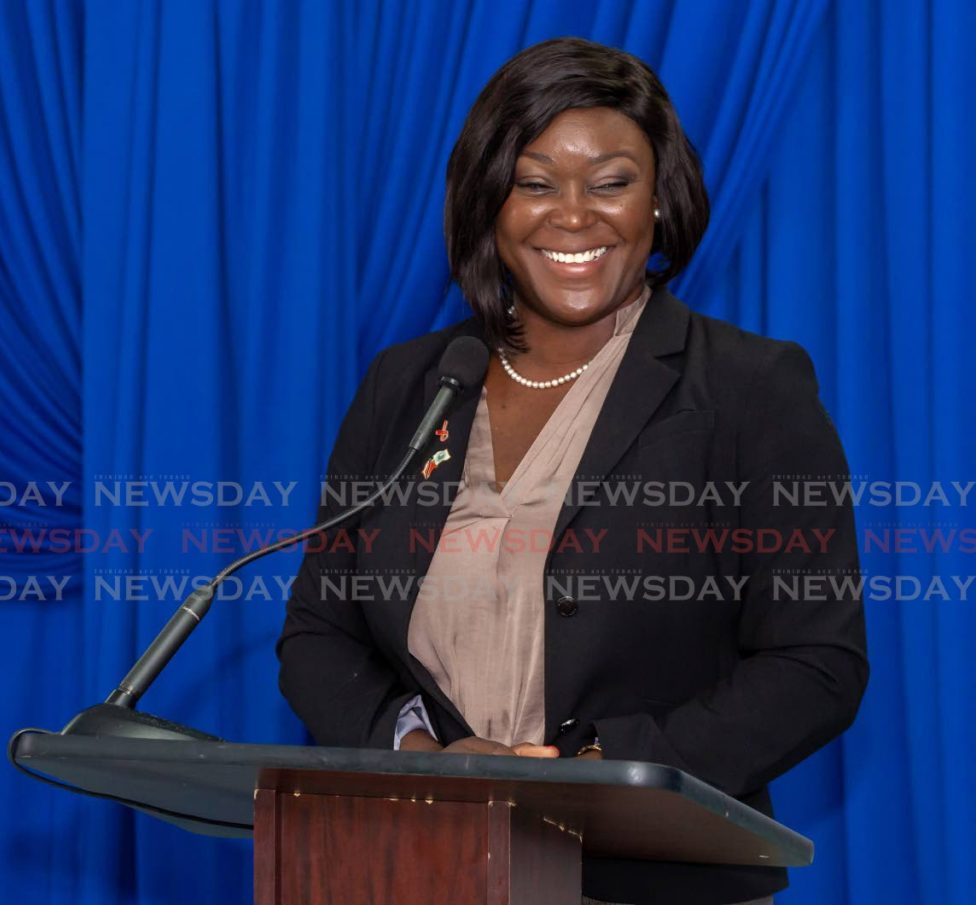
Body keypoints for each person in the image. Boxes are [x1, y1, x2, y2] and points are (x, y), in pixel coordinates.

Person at [277, 37, 868, 905]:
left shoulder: (749, 389)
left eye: (612, 182)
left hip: (647, 872)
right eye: (536, 181)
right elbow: (317, 633)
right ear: (491, 205)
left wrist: (598, 774)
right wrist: (418, 754)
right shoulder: (409, 385)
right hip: (406, 860)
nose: (574, 215)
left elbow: (817, 662)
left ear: (659, 202)